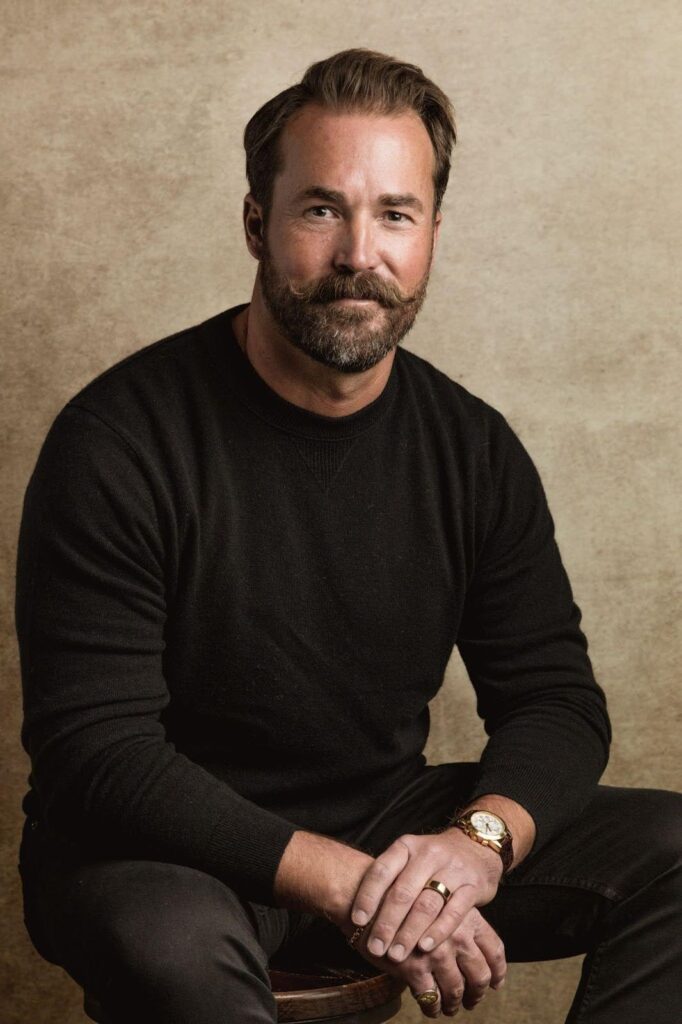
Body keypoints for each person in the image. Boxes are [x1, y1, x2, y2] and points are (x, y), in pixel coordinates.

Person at [15, 48, 680, 1024]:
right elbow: (98, 749)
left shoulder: (470, 448)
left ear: (433, 234)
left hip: (380, 824)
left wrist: (476, 844)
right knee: (171, 953)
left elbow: (553, 697)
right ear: (257, 222)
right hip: (160, 850)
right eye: (321, 208)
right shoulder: (118, 439)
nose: (358, 253)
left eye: (395, 214)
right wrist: (348, 883)